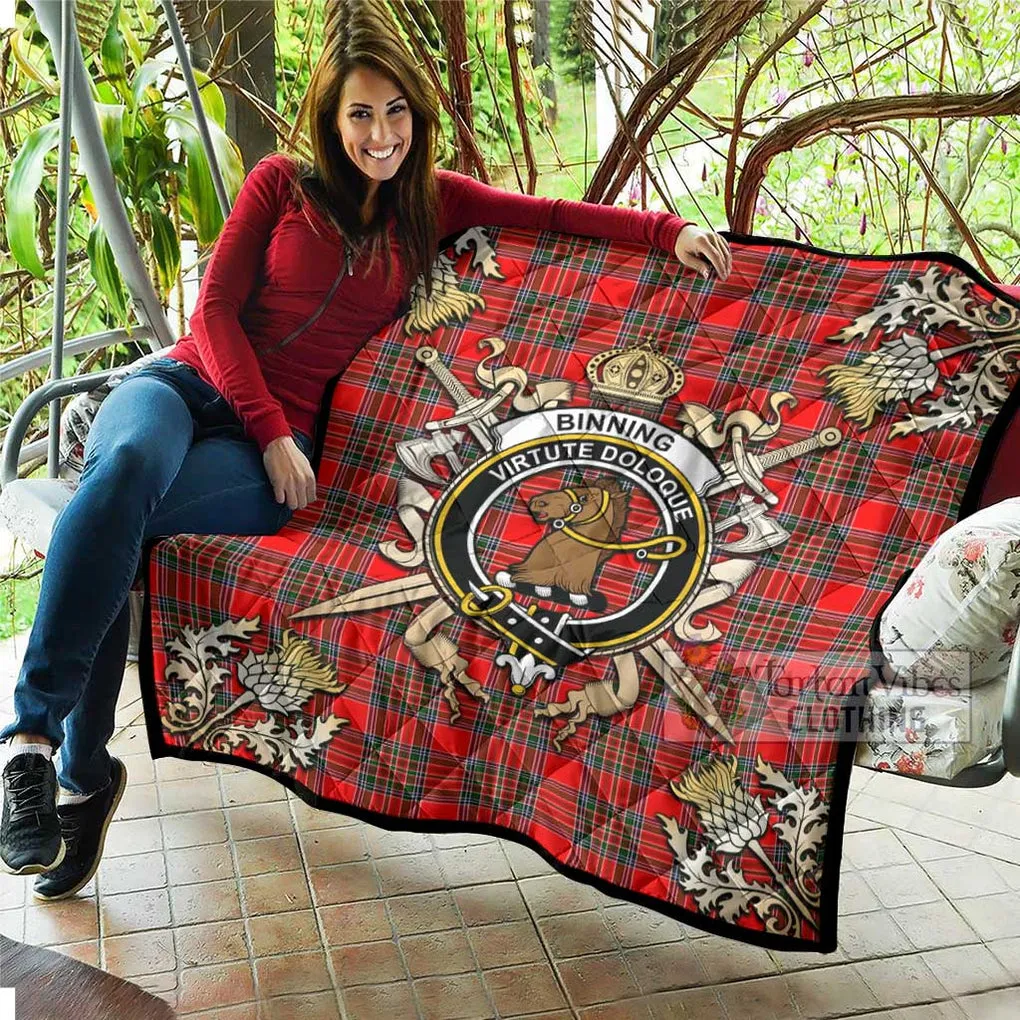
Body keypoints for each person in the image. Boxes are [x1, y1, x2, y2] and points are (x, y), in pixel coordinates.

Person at [0, 0, 732, 900]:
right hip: (187, 390)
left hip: (274, 455)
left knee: (120, 517)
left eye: (394, 113)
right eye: (359, 114)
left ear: (415, 118)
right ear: (330, 117)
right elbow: (215, 312)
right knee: (121, 477)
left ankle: (78, 777)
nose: (379, 133)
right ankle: (36, 750)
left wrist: (667, 232)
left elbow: (553, 215)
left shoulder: (434, 205)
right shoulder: (280, 184)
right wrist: (267, 426)